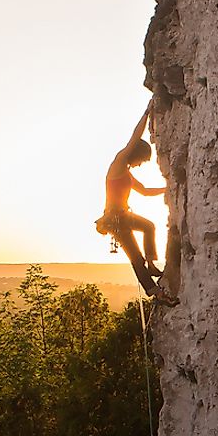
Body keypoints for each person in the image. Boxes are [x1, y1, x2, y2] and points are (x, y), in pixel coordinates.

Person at [95, 103, 177, 305]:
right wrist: (146, 114)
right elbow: (134, 138)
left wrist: (169, 188)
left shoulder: (127, 176)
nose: (141, 164)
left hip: (123, 217)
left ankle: (151, 264)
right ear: (137, 155)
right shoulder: (118, 165)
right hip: (115, 221)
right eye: (142, 160)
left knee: (149, 227)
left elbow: (146, 192)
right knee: (135, 257)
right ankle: (156, 292)